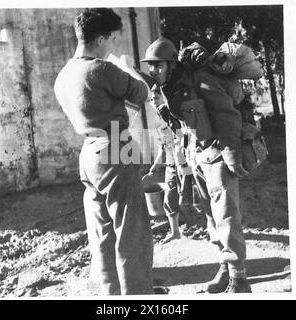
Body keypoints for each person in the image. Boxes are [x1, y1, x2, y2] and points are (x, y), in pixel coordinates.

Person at [54, 8, 154, 295]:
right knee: (131, 229)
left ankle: (111, 294)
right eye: (111, 40)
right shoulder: (101, 69)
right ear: (100, 39)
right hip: (115, 149)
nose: (112, 46)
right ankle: (137, 295)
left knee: (102, 233)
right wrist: (126, 68)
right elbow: (142, 93)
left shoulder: (64, 76)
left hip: (89, 153)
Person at [141, 37, 252, 293]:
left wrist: (232, 154)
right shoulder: (164, 89)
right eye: (151, 66)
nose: (153, 70)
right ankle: (225, 269)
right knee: (211, 218)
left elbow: (227, 115)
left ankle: (240, 279)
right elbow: (178, 127)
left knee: (226, 216)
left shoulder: (200, 79)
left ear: (171, 64)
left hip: (217, 155)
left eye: (158, 65)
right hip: (196, 156)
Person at [148, 85, 183, 243]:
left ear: (164, 98)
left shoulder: (172, 114)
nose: (153, 102)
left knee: (199, 196)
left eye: (156, 98)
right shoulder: (160, 119)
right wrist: (156, 165)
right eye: (152, 99)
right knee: (170, 197)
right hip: (171, 165)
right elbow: (164, 146)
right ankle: (175, 232)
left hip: (184, 162)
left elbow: (183, 137)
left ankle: (216, 229)